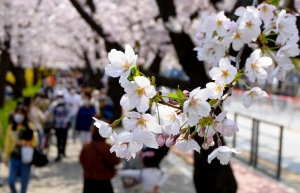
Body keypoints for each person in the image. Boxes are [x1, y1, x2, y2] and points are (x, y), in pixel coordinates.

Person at [3, 105, 38, 193]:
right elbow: (8, 143)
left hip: (25, 158)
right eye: (17, 113)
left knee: (24, 183)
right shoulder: (11, 127)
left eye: (21, 113)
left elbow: (35, 142)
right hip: (14, 157)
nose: (19, 115)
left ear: (25, 115)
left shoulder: (29, 126)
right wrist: (6, 157)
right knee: (11, 181)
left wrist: (22, 142)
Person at [79, 126, 120, 193]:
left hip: (89, 181)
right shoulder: (107, 147)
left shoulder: (87, 146)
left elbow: (81, 160)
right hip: (104, 181)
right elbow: (116, 161)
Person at [45, 91, 71, 161]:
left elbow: (69, 113)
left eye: (61, 97)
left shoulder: (66, 105)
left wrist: (65, 120)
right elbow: (49, 111)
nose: (60, 98)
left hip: (65, 126)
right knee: (58, 139)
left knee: (64, 139)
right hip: (57, 126)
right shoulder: (54, 105)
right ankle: (58, 154)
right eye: (58, 97)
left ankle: (63, 152)